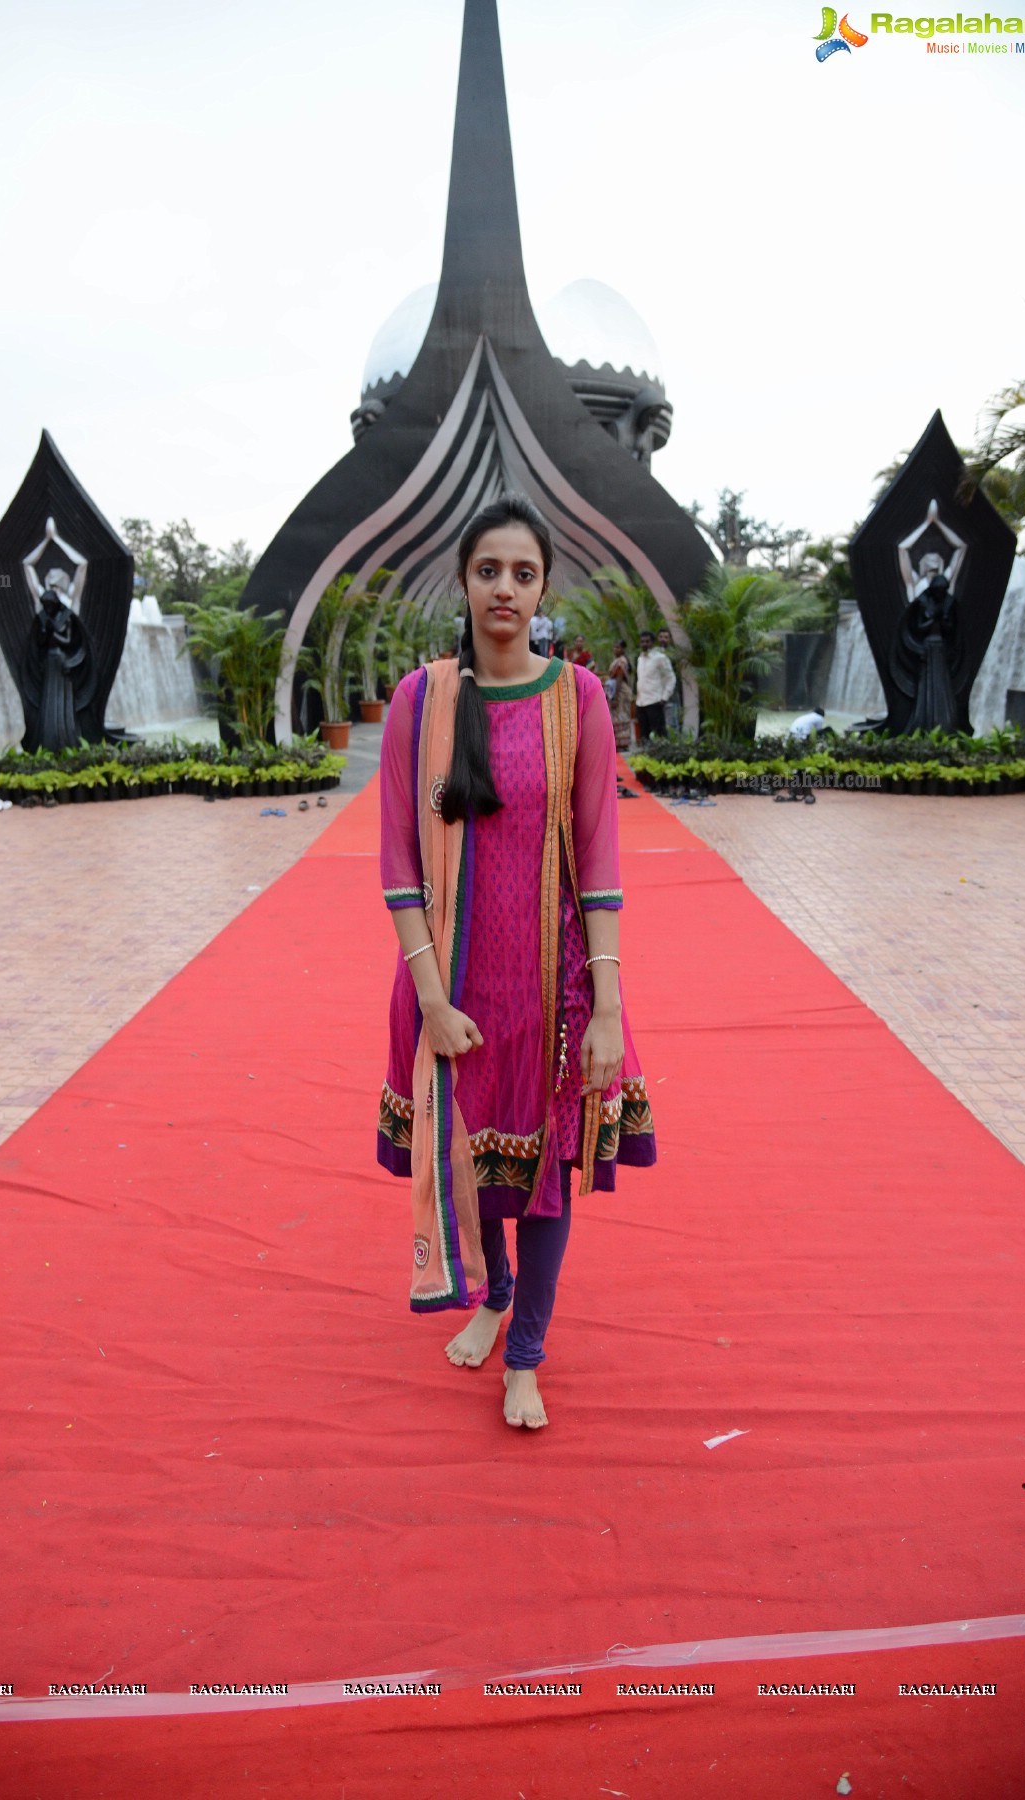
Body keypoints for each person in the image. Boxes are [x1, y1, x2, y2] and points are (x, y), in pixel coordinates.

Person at [377, 494, 656, 1431]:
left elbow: (603, 858)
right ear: (463, 580)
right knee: (470, 1164)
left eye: (523, 573)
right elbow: (399, 866)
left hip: (554, 984)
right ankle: (492, 1292)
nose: (505, 588)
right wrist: (429, 1000)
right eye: (488, 570)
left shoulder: (576, 699)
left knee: (543, 1168)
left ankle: (526, 1350)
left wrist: (607, 1008)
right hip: (449, 979)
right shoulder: (421, 701)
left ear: (543, 590)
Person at [635, 629, 676, 746]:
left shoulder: (660, 658)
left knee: (660, 734)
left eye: (647, 642)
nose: (644, 644)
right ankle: (646, 759)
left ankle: (664, 757)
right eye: (642, 642)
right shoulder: (640, 659)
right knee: (644, 735)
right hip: (641, 702)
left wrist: (665, 697)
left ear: (652, 643)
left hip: (655, 700)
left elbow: (671, 678)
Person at [606, 640, 634, 751]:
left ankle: (622, 742)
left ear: (623, 649)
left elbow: (619, 678)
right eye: (614, 647)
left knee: (621, 716)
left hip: (620, 691)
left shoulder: (621, 661)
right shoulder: (617, 660)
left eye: (618, 647)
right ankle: (618, 742)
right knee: (617, 716)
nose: (615, 650)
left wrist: (615, 697)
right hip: (618, 691)